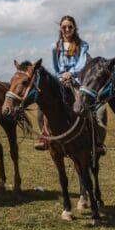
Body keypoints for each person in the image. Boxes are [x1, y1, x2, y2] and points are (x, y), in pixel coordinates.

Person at [39, 15, 95, 151]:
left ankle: (95, 141)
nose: (67, 29)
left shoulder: (82, 45)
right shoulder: (55, 47)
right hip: (60, 82)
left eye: (70, 26)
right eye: (64, 27)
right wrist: (60, 76)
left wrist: (72, 73)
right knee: (42, 108)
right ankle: (44, 137)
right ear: (60, 28)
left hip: (76, 81)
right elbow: (54, 66)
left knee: (89, 108)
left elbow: (82, 63)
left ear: (74, 28)